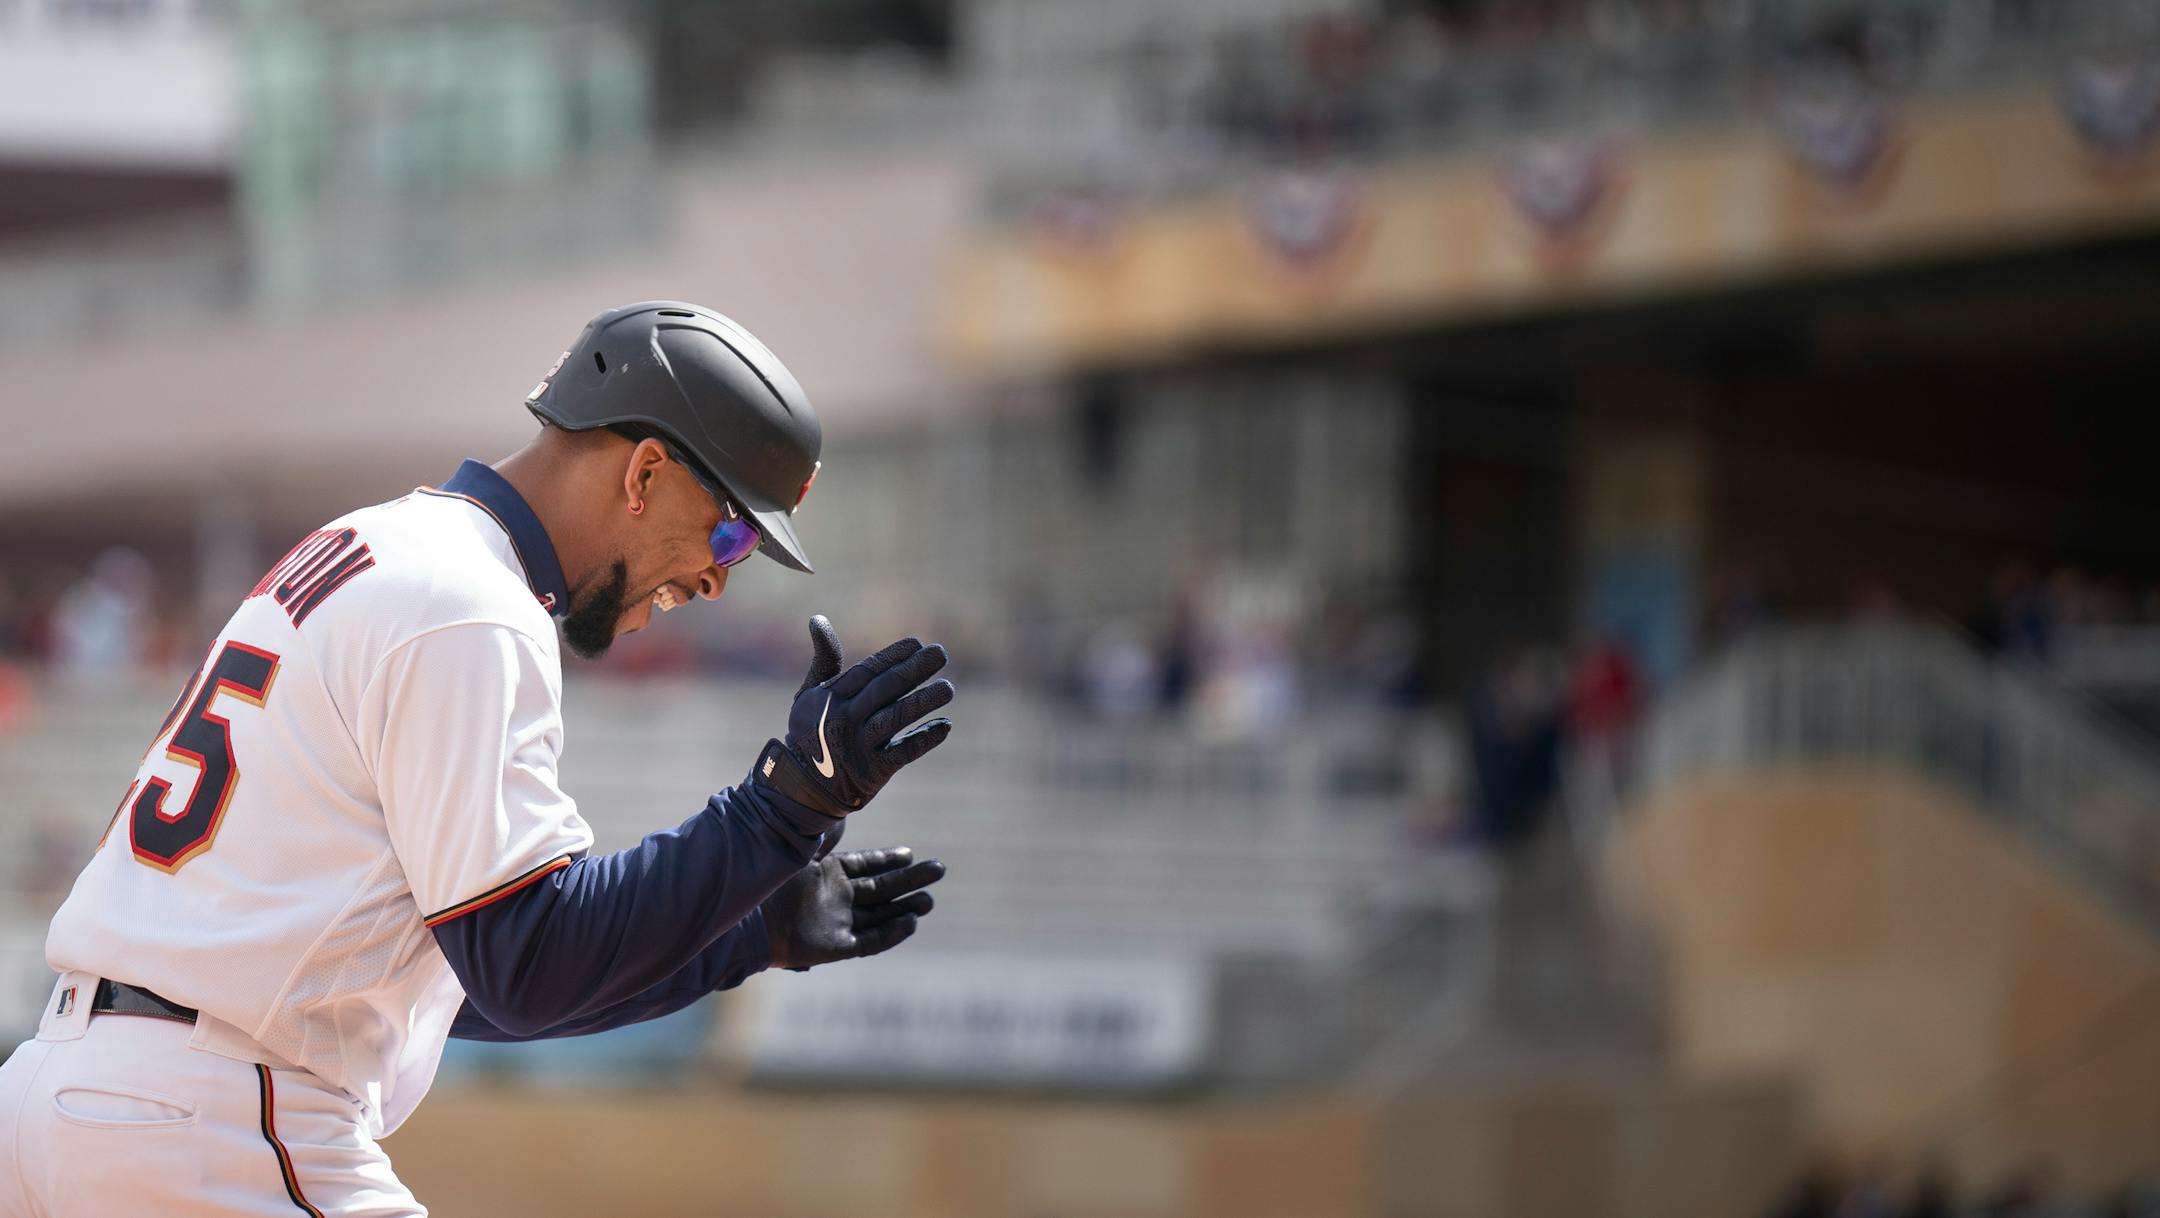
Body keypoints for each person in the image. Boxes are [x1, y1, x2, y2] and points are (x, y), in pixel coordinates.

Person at [0, 301, 957, 1216]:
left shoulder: (384, 546)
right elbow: (528, 964)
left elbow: (474, 988)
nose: (718, 575)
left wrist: (746, 929)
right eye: (733, 529)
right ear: (647, 472)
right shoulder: (471, 603)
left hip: (71, 1100)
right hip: (208, 1127)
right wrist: (782, 809)